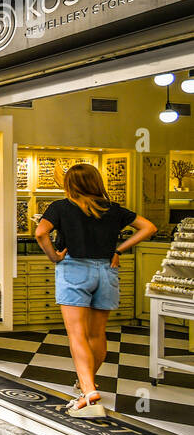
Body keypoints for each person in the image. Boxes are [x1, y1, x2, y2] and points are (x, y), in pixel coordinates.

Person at [35, 163, 156, 419]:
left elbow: (40, 232)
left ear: (70, 184)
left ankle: (88, 392)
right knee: (97, 333)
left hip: (74, 269)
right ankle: (87, 382)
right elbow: (149, 227)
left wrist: (53, 256)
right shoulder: (113, 209)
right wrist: (119, 250)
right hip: (106, 270)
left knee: (76, 334)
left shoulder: (60, 207)